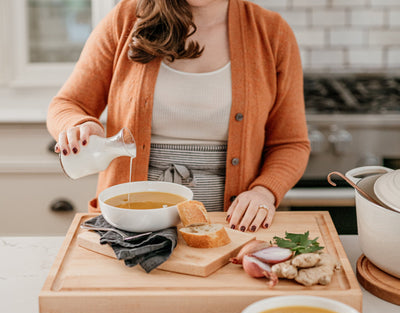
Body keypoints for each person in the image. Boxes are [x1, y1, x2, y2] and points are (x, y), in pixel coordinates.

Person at [47, 0, 310, 232]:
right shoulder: (127, 18)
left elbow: (290, 143)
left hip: (229, 228)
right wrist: (77, 125)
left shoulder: (272, 32)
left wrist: (264, 192)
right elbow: (67, 104)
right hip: (129, 228)